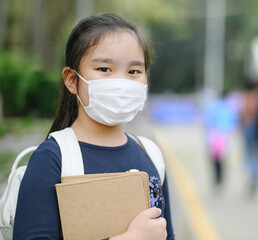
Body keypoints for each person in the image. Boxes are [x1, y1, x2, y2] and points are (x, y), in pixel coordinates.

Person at [13, 14, 174, 240]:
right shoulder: (52, 160)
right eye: (104, 69)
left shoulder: (151, 155)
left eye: (134, 71)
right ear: (71, 79)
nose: (121, 82)